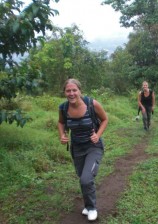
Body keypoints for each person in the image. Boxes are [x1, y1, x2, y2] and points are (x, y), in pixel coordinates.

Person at [57, 78, 108, 221]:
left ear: (80, 91)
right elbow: (61, 122)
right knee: (82, 178)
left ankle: (91, 208)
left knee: (86, 179)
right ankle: (87, 206)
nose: (71, 93)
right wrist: (62, 135)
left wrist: (97, 135)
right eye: (68, 90)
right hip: (77, 148)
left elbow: (105, 119)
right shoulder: (63, 108)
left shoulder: (92, 104)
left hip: (93, 147)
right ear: (64, 92)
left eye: (74, 90)